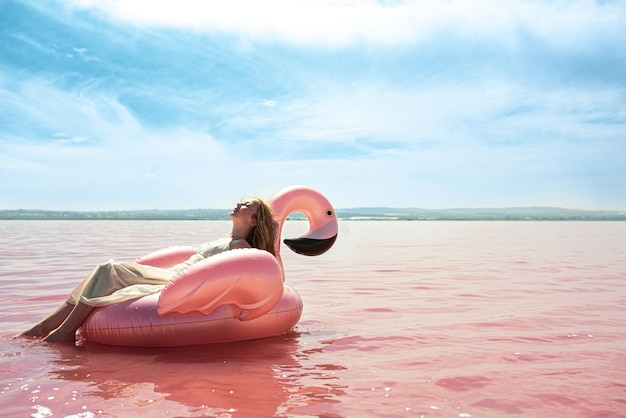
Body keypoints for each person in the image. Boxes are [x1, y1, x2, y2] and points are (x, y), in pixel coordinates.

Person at [19, 197, 276, 343]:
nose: (238, 204)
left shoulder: (240, 245)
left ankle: (63, 332)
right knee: (103, 273)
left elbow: (227, 278)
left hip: (176, 282)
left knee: (108, 268)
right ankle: (43, 327)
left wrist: (274, 235)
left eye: (246, 205)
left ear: (252, 220)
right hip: (175, 274)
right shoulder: (224, 239)